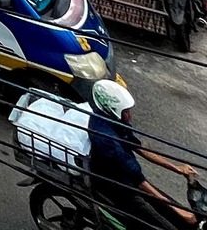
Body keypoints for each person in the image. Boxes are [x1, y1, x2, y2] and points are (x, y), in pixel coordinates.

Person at [85, 80, 198, 228]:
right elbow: (137, 178)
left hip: (129, 179)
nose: (130, 115)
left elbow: (137, 146)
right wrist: (177, 210)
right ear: (113, 109)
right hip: (117, 187)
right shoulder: (106, 140)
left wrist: (177, 168)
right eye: (126, 111)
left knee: (176, 213)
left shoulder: (115, 119)